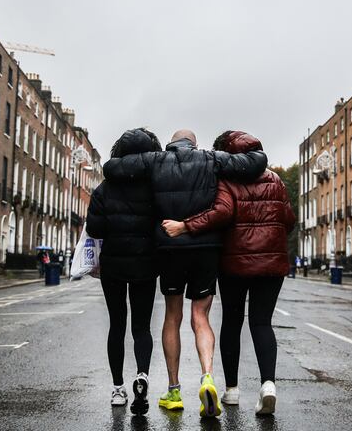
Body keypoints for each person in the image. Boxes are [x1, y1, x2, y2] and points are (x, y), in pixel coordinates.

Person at [104, 129, 267, 418]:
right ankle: (207, 376)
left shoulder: (155, 160)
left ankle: (174, 390)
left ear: (171, 143)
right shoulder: (210, 159)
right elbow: (256, 161)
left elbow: (112, 168)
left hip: (169, 248)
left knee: (172, 317)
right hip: (206, 248)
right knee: (200, 317)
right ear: (194, 144)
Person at [161, 131, 295, 416]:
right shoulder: (276, 180)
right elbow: (289, 219)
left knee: (232, 323)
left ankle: (232, 391)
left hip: (235, 263)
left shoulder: (227, 180)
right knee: (262, 323)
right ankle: (268, 385)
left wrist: (186, 226)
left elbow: (222, 213)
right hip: (272, 263)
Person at [86, 128, 163, 416]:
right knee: (142, 327)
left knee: (117, 325)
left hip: (113, 266)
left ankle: (118, 389)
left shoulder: (104, 188)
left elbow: (94, 229)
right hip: (145, 264)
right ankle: (142, 376)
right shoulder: (154, 186)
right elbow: (163, 222)